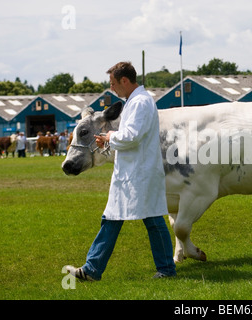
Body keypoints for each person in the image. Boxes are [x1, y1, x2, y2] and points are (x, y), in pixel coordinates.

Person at [66, 61, 176, 280]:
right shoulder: (134, 102)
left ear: (124, 80)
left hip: (140, 173)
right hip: (133, 171)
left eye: (113, 83)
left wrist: (109, 137)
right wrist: (107, 143)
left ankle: (165, 269)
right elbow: (130, 138)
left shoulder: (140, 103)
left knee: (151, 220)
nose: (112, 88)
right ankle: (91, 269)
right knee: (115, 219)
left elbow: (131, 136)